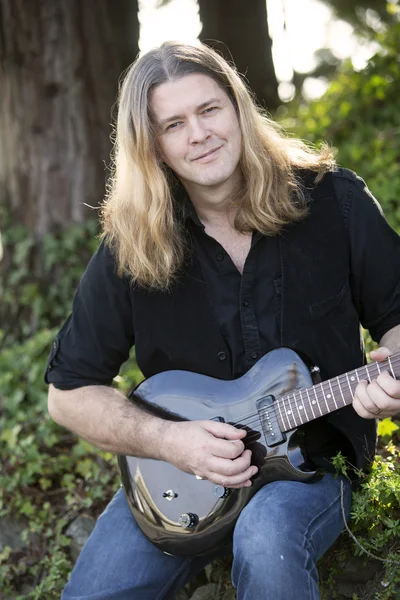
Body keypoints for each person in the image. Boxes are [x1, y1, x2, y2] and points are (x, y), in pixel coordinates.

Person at [45, 41, 400, 600]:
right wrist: (168, 441)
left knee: (266, 540)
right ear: (155, 148)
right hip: (176, 480)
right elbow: (68, 394)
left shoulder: (336, 203)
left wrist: (390, 379)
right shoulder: (131, 248)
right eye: (174, 124)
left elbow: (398, 316)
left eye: (210, 110)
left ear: (238, 108)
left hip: (314, 461)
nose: (199, 135)